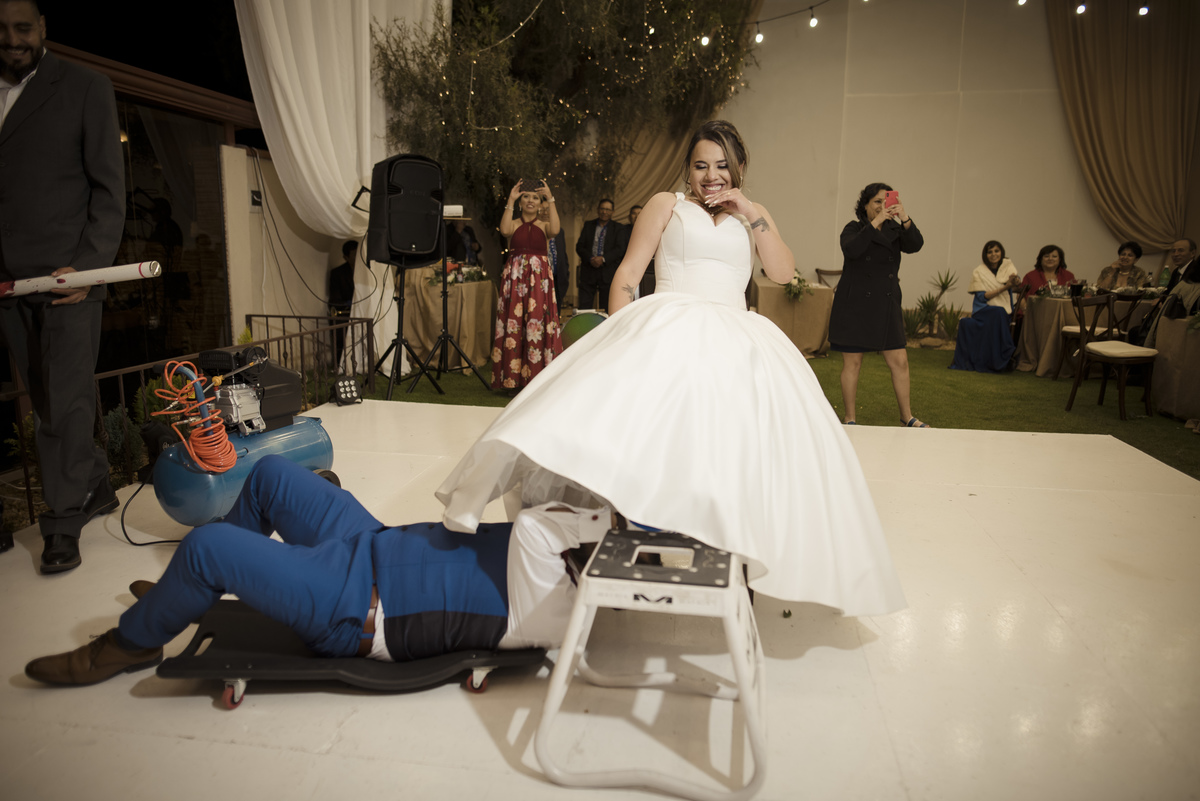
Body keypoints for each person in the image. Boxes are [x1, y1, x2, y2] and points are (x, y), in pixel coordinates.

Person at [435, 120, 906, 616]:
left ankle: (732, 550)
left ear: (739, 168)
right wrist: (621, 339)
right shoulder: (667, 204)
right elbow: (628, 277)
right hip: (669, 322)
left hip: (736, 334)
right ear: (688, 168)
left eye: (722, 166)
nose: (711, 176)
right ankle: (616, 547)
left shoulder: (754, 215)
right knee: (645, 440)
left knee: (738, 444)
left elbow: (783, 272)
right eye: (701, 165)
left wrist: (749, 211)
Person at [23, 456, 610, 686]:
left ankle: (126, 646)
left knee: (208, 546)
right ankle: (194, 595)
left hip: (359, 604)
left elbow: (525, 513)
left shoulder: (566, 586)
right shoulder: (575, 532)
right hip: (377, 545)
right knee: (273, 476)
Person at [0, 0, 124, 573]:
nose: (12, 39)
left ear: (44, 27)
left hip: (67, 279)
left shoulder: (86, 87)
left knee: (66, 407)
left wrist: (90, 266)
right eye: (1, 30)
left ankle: (62, 521)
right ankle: (95, 481)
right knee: (47, 401)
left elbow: (108, 189)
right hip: (5, 281)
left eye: (22, 28)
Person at [828, 182, 928, 427]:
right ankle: (850, 418)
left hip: (886, 304)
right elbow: (852, 249)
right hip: (855, 305)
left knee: (900, 361)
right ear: (866, 205)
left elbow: (916, 244)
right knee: (853, 363)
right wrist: (876, 223)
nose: (884, 206)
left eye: (888, 201)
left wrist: (904, 217)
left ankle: (907, 416)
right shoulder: (854, 228)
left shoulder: (897, 229)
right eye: (878, 202)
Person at [492, 181, 562, 391]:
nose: (530, 200)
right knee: (513, 323)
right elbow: (504, 230)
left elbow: (556, 229)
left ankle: (537, 378)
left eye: (535, 197)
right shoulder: (513, 223)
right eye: (526, 197)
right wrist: (510, 200)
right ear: (521, 201)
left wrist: (550, 199)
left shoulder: (544, 226)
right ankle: (511, 379)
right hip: (515, 278)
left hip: (539, 281)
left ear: (540, 203)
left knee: (536, 323)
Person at [950, 240, 1020, 372]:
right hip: (983, 310)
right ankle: (1007, 350)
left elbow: (1016, 281)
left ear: (1001, 253)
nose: (993, 254)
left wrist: (1015, 281)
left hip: (1001, 310)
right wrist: (1005, 287)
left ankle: (1000, 359)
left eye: (996, 251)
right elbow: (982, 297)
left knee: (999, 312)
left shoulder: (1007, 268)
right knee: (998, 312)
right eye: (990, 252)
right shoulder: (979, 271)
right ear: (985, 255)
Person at [574, 198, 625, 312]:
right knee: (584, 306)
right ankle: (584, 329)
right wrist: (591, 258)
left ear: (612, 212)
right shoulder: (588, 225)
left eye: (607, 209)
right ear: (598, 210)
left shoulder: (618, 228)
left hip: (608, 272)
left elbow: (620, 249)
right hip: (588, 271)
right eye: (602, 209)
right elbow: (579, 247)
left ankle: (606, 329)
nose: (604, 212)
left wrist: (603, 259)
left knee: (606, 307)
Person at [328, 240, 357, 367]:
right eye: (354, 255)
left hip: (361, 311)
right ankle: (341, 364)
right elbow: (334, 298)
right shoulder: (337, 273)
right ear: (346, 257)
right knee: (340, 330)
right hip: (345, 311)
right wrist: (350, 304)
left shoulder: (366, 272)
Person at [538, 202, 569, 312]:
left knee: (555, 314)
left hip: (557, 280)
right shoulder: (534, 230)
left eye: (548, 209)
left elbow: (563, 256)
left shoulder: (559, 232)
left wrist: (565, 276)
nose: (546, 213)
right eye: (542, 210)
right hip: (538, 280)